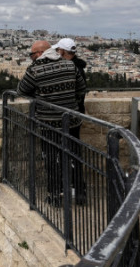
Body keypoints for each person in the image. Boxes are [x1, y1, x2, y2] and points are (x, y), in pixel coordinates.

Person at [17, 40, 87, 205]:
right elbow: (81, 89)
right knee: (74, 156)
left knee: (51, 159)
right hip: (72, 121)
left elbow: (21, 90)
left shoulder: (35, 70)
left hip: (48, 122)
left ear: (40, 54)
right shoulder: (70, 66)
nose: (31, 58)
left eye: (31, 55)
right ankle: (80, 194)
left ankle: (55, 195)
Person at [56, 38, 88, 204]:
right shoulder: (79, 67)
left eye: (58, 50)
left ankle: (68, 189)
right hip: (76, 115)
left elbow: (78, 92)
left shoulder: (71, 68)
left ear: (62, 51)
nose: (56, 53)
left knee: (62, 153)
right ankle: (79, 191)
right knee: (74, 153)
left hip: (68, 116)